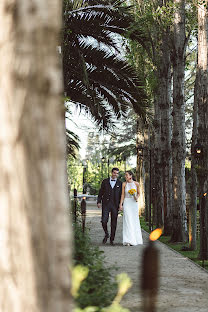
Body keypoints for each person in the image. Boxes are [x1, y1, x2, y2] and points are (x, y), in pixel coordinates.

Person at [97, 167, 122, 246]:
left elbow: (122, 195)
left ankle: (112, 239)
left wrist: (121, 205)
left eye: (117, 173)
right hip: (106, 204)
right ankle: (106, 233)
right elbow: (100, 192)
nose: (115, 175)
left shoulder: (120, 183)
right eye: (114, 173)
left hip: (115, 205)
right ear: (111, 173)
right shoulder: (105, 181)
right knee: (104, 221)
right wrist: (98, 201)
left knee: (114, 223)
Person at [119, 171, 143, 246]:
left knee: (134, 220)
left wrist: (136, 197)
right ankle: (128, 240)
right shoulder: (124, 184)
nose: (125, 176)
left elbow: (139, 193)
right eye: (125, 175)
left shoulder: (136, 184)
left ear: (130, 176)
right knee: (127, 220)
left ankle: (135, 239)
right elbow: (122, 195)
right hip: (127, 202)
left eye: (126, 175)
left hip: (133, 203)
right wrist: (121, 204)